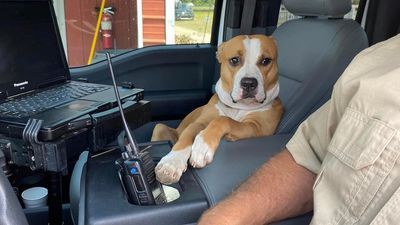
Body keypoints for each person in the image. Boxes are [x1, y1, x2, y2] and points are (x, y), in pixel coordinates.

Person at [198, 34, 400, 225]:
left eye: (264, 61)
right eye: (235, 61)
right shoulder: (376, 64)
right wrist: (222, 218)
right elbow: (310, 157)